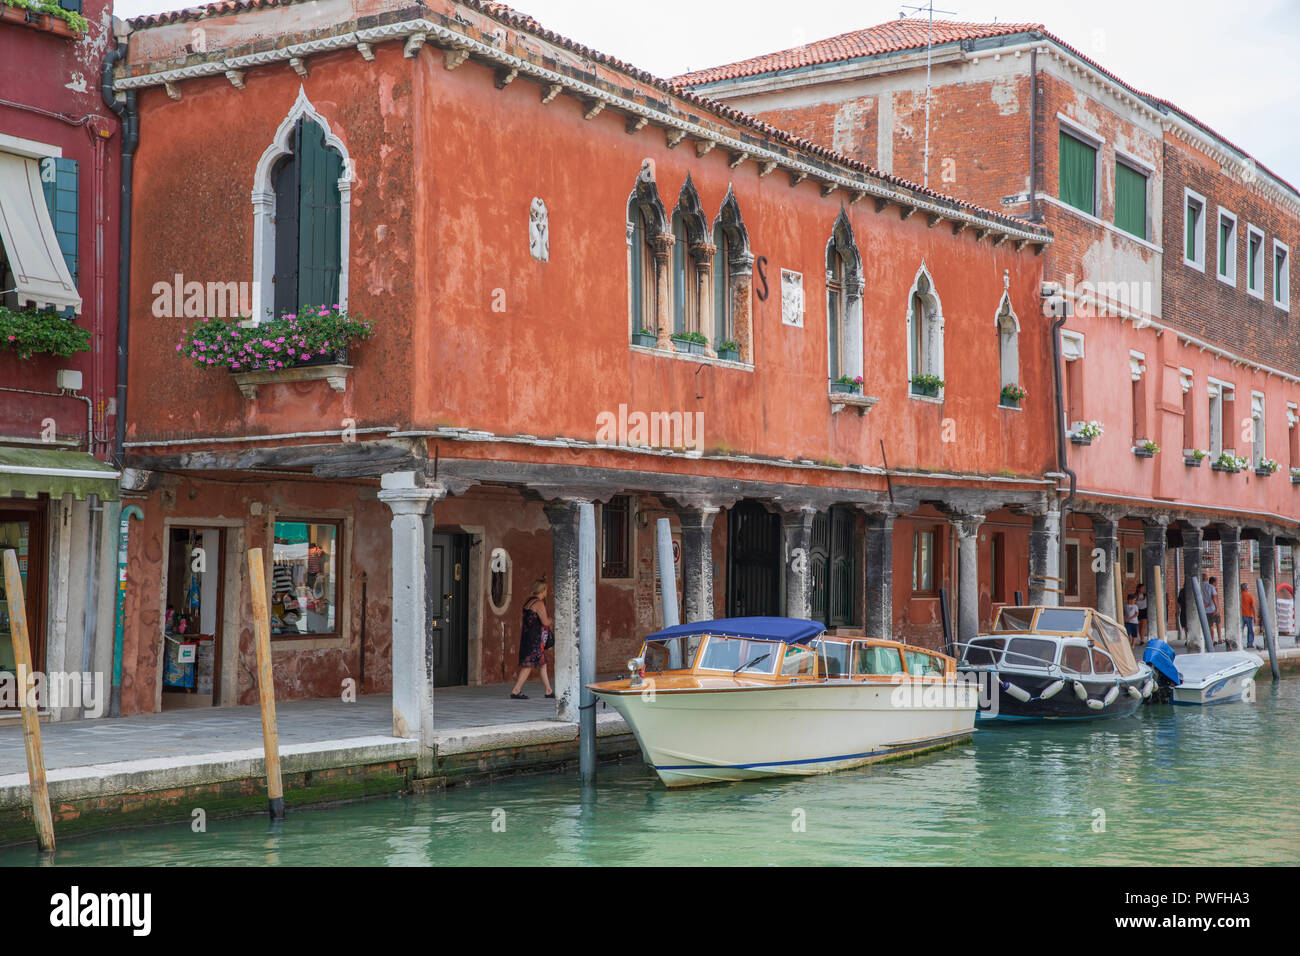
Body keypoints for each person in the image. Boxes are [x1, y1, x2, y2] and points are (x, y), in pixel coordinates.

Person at [510, 579, 554, 700]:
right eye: (546, 589)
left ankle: (548, 690)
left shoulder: (528, 602)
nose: (547, 592)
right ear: (542, 590)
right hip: (535, 639)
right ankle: (516, 690)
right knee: (528, 665)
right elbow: (545, 621)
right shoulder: (539, 604)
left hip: (527, 637)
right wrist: (552, 621)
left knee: (542, 663)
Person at [1202, 574, 1221, 645]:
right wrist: (1217, 608)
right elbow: (1214, 597)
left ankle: (1208, 640)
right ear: (1207, 579)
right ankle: (1211, 641)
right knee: (1212, 626)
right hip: (1211, 609)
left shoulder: (1198, 586)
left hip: (1203, 610)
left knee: (1208, 626)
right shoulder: (1210, 587)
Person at [1240, 582, 1258, 650]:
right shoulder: (1250, 596)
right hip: (1249, 615)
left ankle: (1239, 643)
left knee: (1240, 630)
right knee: (1250, 631)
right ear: (1247, 588)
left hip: (1241, 616)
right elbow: (1253, 607)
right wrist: (1255, 617)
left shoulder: (1239, 596)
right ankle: (1250, 644)